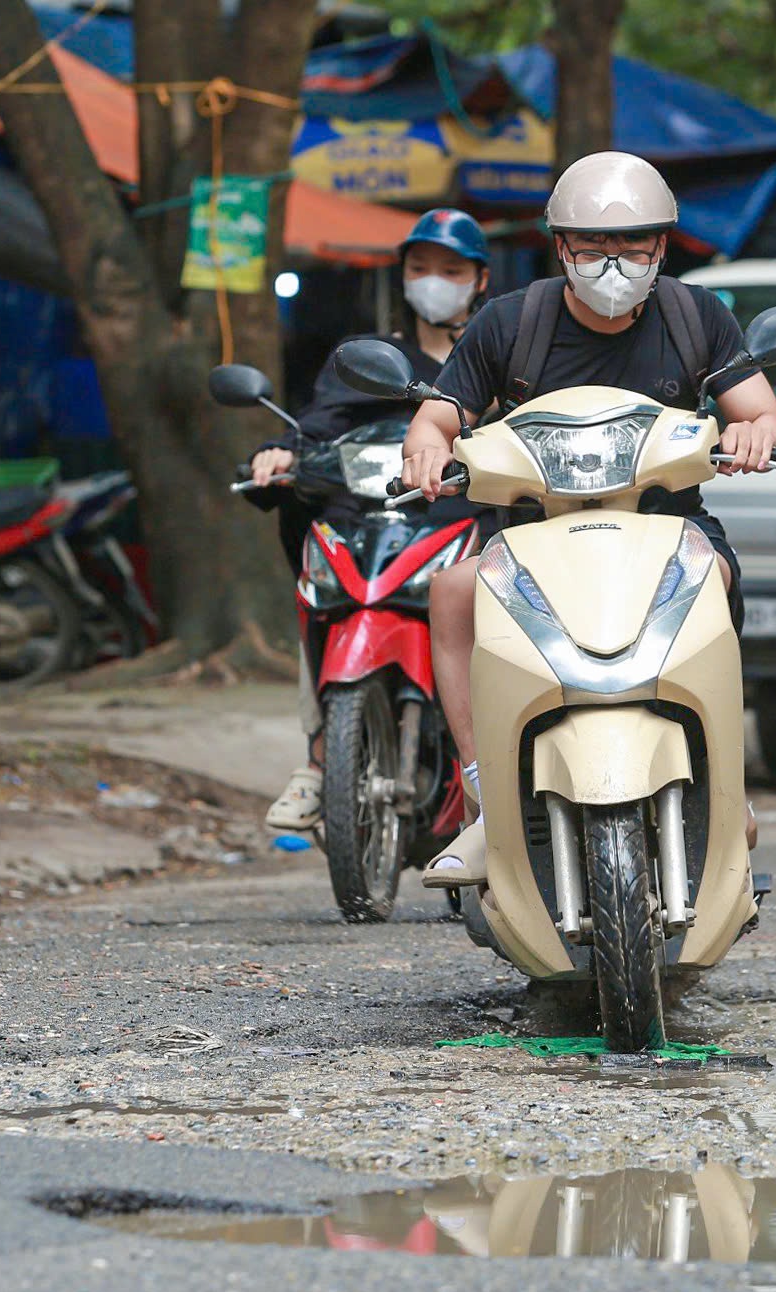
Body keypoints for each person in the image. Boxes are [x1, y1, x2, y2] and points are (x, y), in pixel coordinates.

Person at [400, 152, 776, 885]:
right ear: (559, 247)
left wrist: (752, 434)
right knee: (451, 593)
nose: (612, 263)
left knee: (721, 579)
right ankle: (485, 799)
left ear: (661, 249)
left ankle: (722, 779)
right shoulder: (507, 323)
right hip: (530, 531)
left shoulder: (694, 315)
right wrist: (425, 451)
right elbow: (435, 418)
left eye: (633, 246)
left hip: (667, 524)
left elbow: (765, 414)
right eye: (591, 246)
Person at [251, 208, 492, 831]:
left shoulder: (495, 351)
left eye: (450, 269)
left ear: (480, 279)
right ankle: (317, 758)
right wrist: (283, 453)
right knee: (316, 586)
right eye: (420, 268)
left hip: (470, 523)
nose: (433, 280)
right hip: (378, 523)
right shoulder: (372, 357)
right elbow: (321, 423)